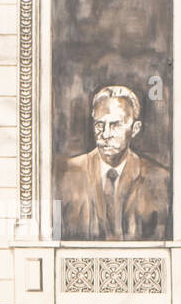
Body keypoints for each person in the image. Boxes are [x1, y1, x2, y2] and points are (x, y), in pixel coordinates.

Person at [56, 85, 169, 239]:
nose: (105, 134)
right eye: (99, 125)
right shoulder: (67, 175)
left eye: (115, 125)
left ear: (135, 129)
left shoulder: (159, 179)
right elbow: (55, 237)